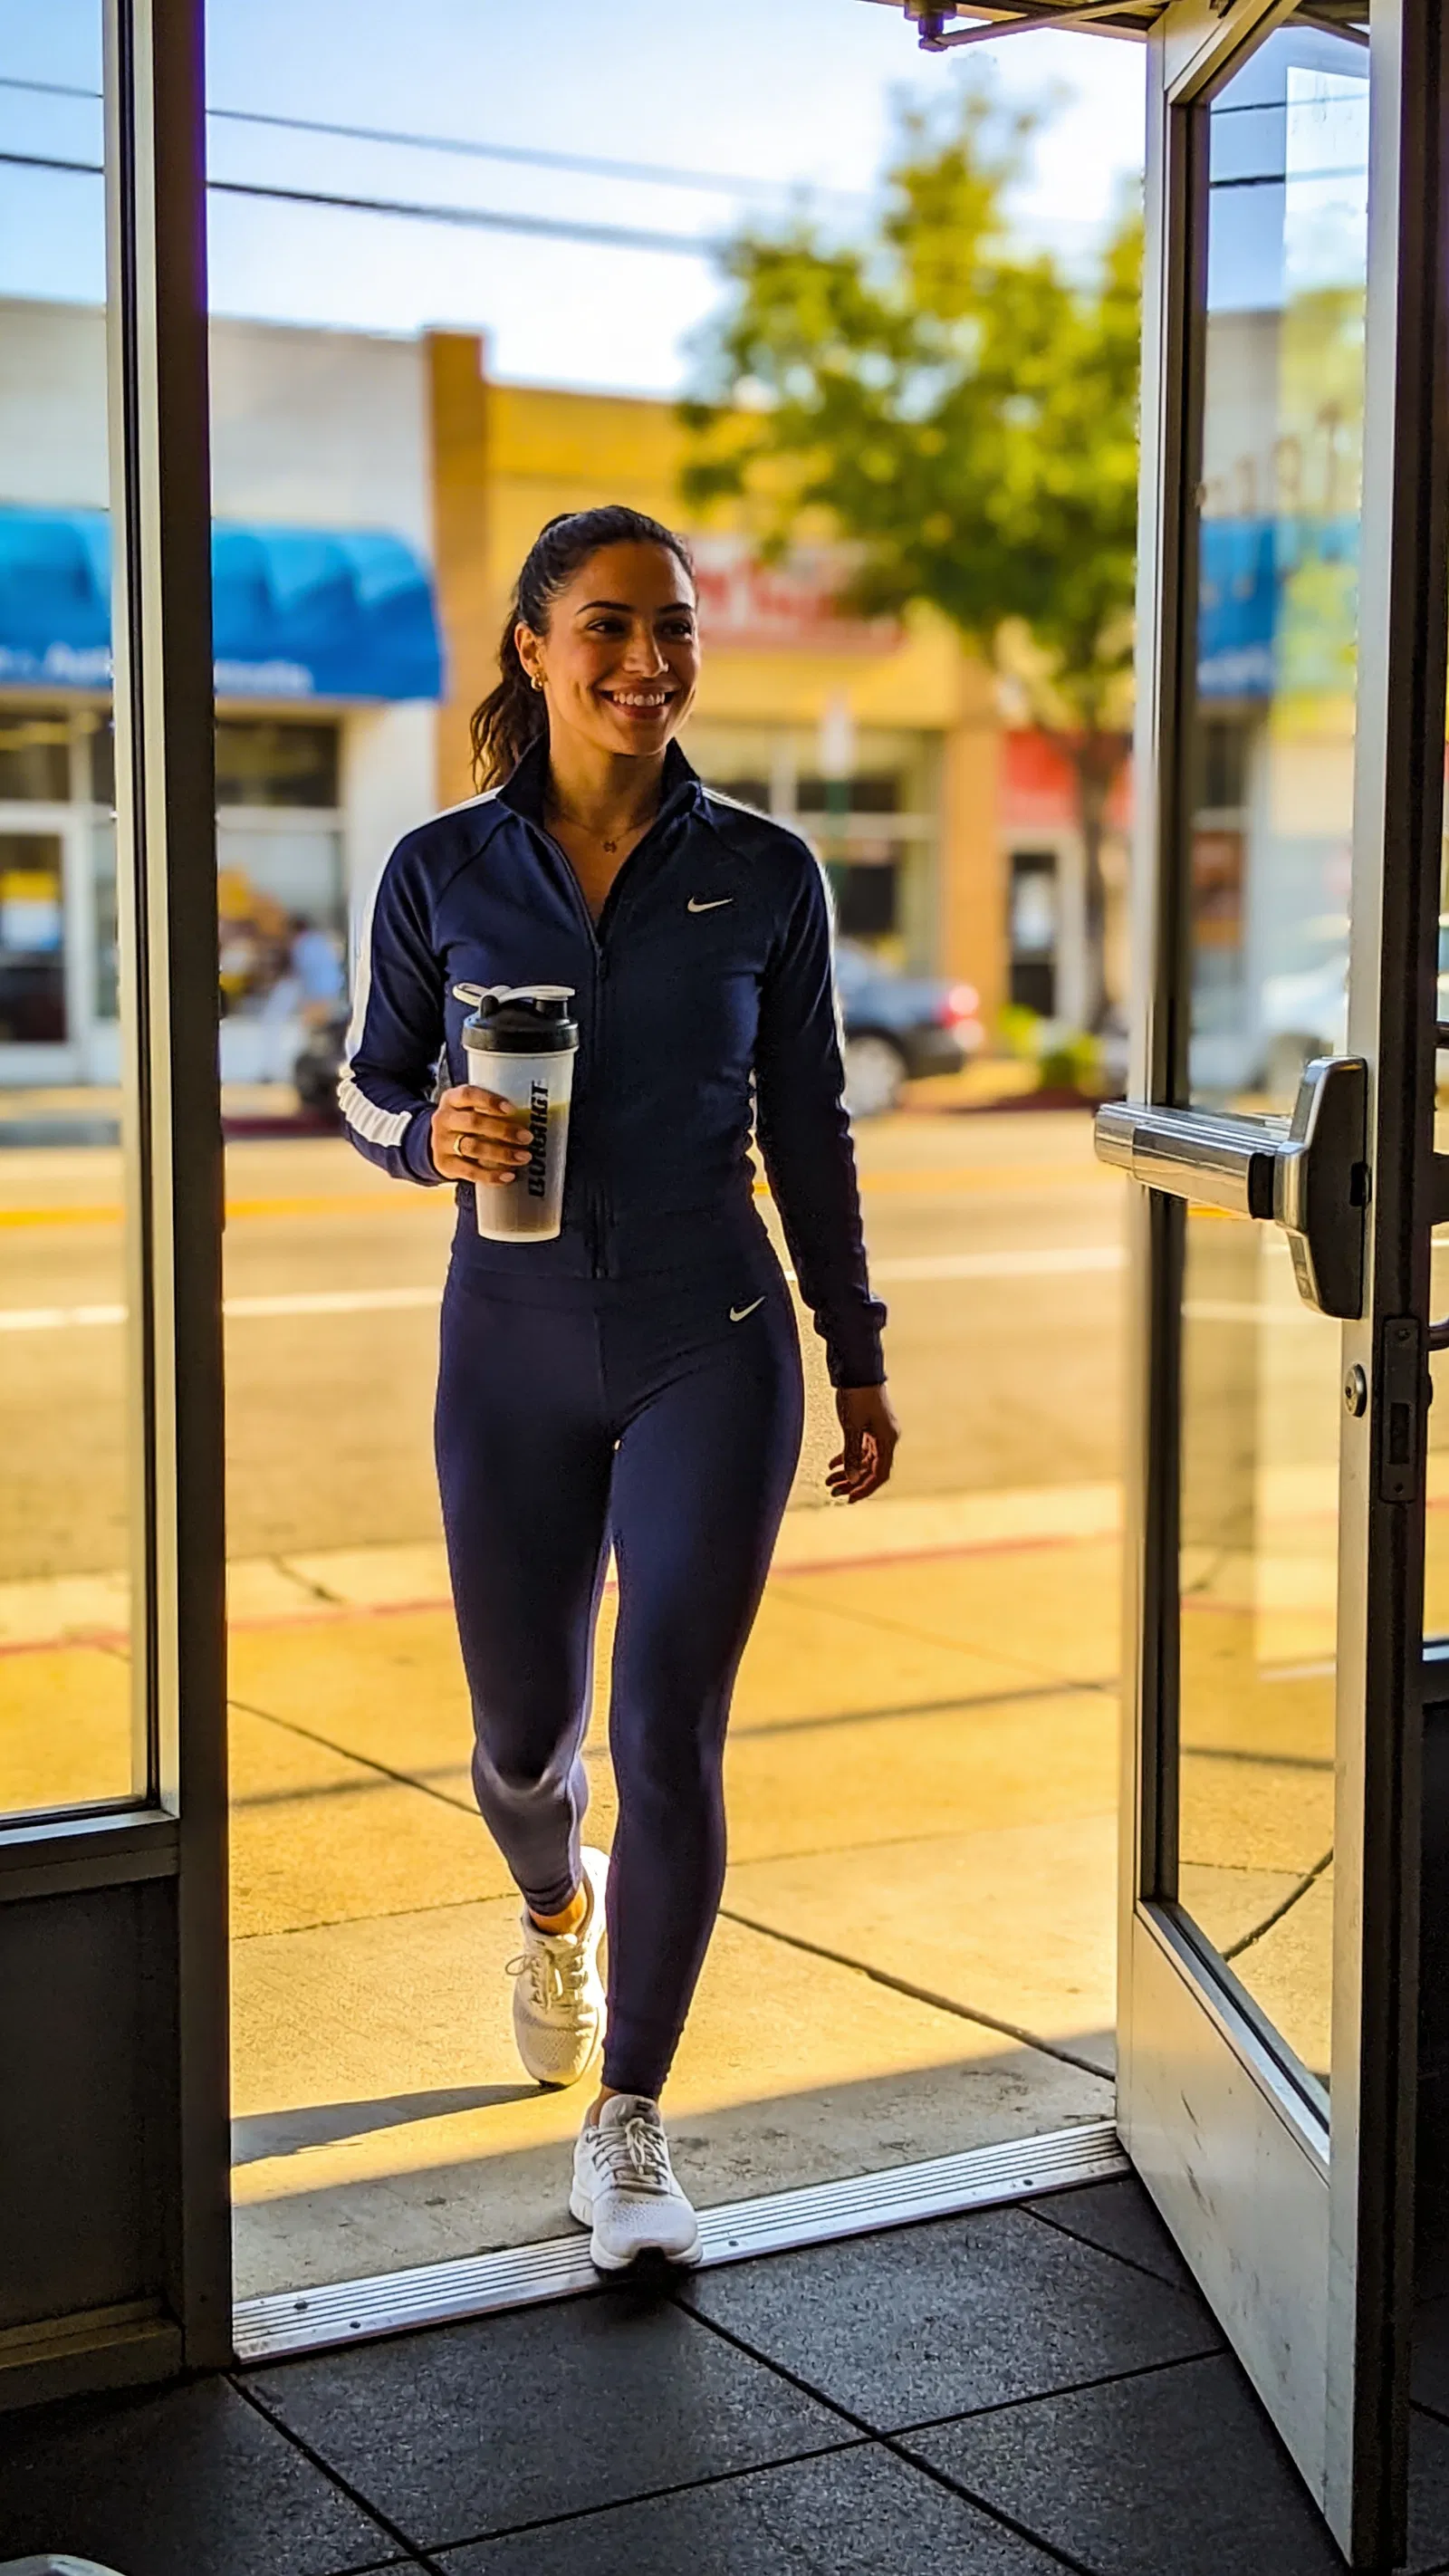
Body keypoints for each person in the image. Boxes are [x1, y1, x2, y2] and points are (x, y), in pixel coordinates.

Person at [339, 505, 897, 2271]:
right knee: (524, 1746)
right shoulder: (439, 868)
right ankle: (547, 1905)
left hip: (705, 1337)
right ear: (531, 648)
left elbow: (808, 1125)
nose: (647, 660)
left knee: (666, 1732)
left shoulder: (764, 871)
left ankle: (632, 2124)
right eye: (606, 625)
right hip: (504, 1338)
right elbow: (356, 1091)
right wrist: (423, 1133)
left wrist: (854, 1348)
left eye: (672, 627)